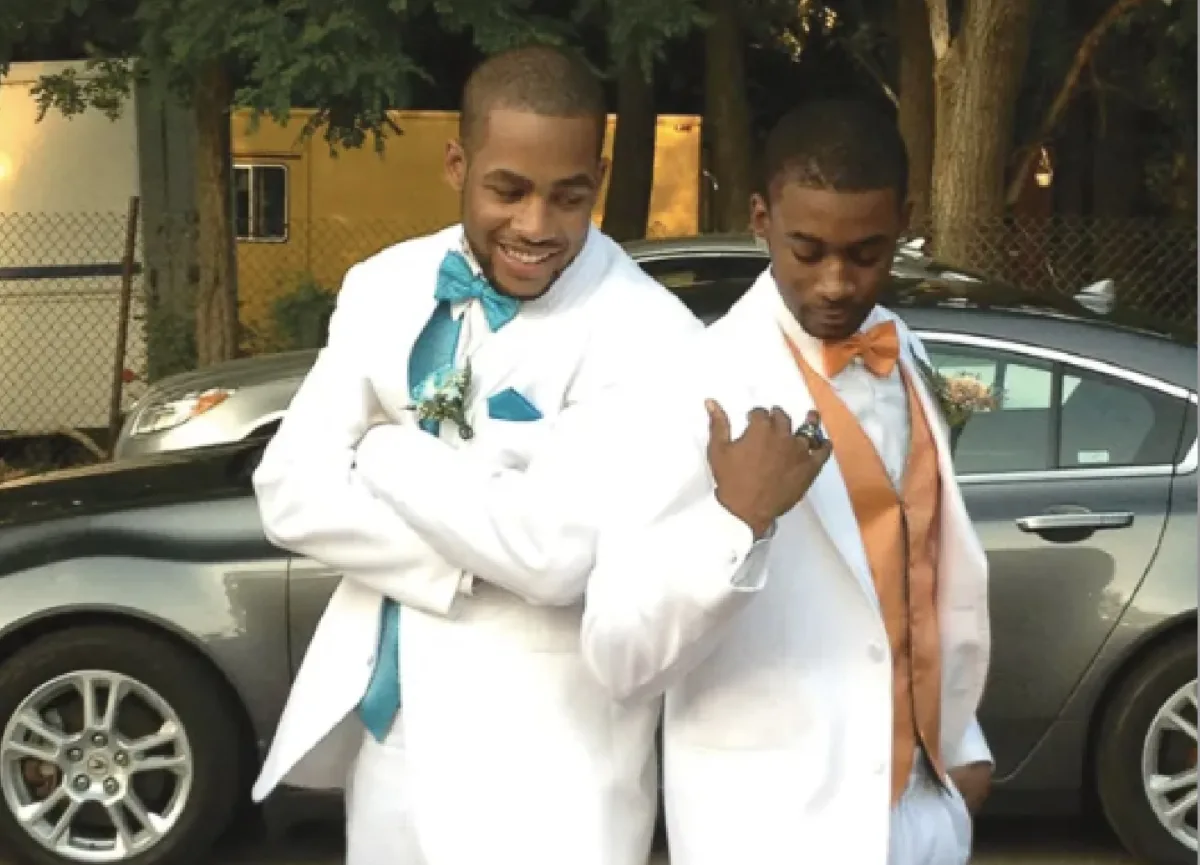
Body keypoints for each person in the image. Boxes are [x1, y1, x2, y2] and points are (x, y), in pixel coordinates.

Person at [247, 45, 702, 865]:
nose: (536, 226)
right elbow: (287, 489)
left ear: (597, 178)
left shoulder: (652, 335)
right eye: (508, 189)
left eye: (569, 197)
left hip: (551, 773)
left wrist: (386, 452)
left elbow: (553, 555)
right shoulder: (384, 284)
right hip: (390, 748)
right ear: (457, 162)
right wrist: (461, 564)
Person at [578, 99, 995, 865]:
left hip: (921, 818)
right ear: (761, 218)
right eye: (808, 251)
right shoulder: (691, 387)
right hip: (775, 832)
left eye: (866, 253)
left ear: (903, 221)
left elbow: (918, 575)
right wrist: (736, 523)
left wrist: (960, 742)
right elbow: (617, 657)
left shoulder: (904, 350)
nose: (836, 283)